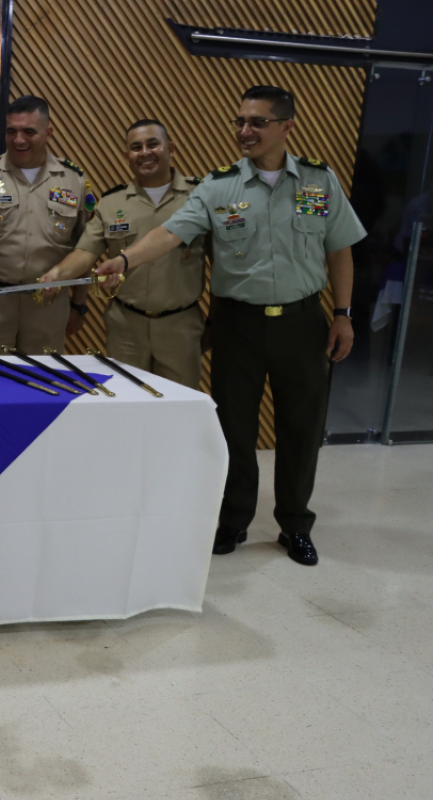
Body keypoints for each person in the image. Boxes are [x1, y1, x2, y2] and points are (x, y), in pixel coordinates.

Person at [94, 86, 367, 565]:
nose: (245, 131)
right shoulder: (219, 187)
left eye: (257, 122)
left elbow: (340, 248)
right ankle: (235, 519)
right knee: (234, 428)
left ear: (287, 127)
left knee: (301, 429)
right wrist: (124, 259)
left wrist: (343, 314)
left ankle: (295, 524)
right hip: (238, 324)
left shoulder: (318, 183)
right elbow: (169, 232)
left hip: (303, 324)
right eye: (240, 121)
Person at [39, 119, 207, 388]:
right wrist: (57, 274)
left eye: (153, 144)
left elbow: (220, 261)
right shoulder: (112, 202)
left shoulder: (199, 196)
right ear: (127, 156)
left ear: (171, 148)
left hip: (180, 326)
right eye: (136, 147)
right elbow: (85, 252)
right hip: (126, 327)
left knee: (178, 409)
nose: (144, 152)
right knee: (128, 404)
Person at [0, 95, 93, 354]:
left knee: (43, 383)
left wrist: (79, 304)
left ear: (48, 133)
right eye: (11, 131)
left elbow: (86, 246)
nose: (18, 140)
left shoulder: (74, 180)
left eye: (28, 131)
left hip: (48, 303)